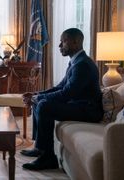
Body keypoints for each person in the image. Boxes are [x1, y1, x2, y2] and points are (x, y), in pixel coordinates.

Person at [21, 28, 103, 170]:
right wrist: (36, 94)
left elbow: (67, 93)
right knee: (39, 102)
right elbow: (60, 87)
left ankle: (48, 158)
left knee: (44, 105)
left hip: (88, 110)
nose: (59, 46)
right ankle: (39, 148)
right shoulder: (77, 61)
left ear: (76, 42)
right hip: (79, 105)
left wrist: (38, 98)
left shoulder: (83, 65)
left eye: (63, 41)